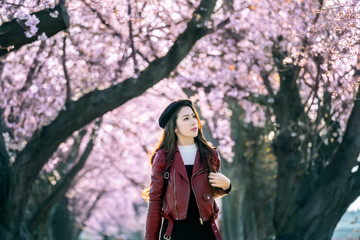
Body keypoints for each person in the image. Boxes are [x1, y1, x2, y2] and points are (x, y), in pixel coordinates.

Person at [143, 99, 232, 240]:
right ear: (174, 127)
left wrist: (227, 185)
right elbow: (155, 201)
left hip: (205, 232)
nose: (193, 122)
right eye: (186, 118)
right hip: (174, 233)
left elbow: (210, 192)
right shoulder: (163, 158)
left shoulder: (210, 154)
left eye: (193, 116)